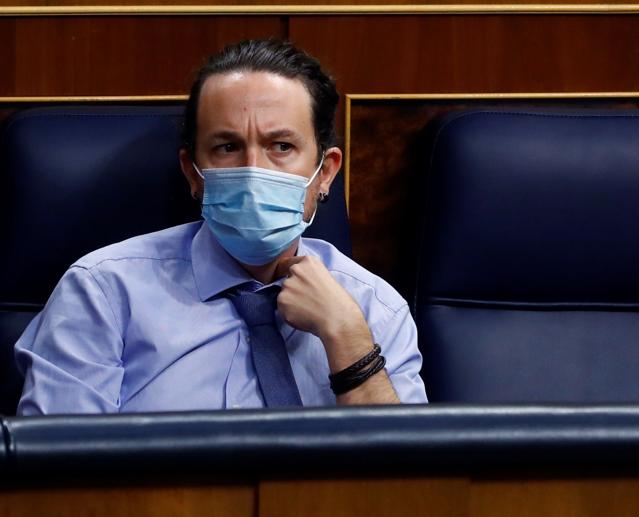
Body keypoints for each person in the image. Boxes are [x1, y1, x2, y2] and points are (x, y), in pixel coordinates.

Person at [15, 39, 427, 413]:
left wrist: (347, 339)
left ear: (325, 173)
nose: (253, 171)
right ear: (193, 173)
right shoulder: (103, 293)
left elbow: (407, 488)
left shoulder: (376, 311)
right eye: (227, 147)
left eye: (281, 147)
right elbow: (56, 484)